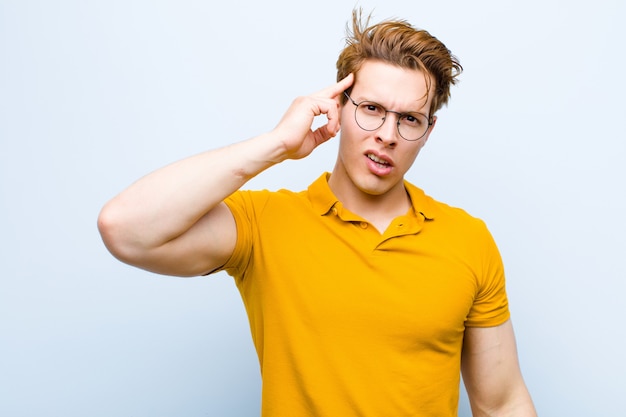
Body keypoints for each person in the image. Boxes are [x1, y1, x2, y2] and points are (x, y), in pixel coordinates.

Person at [98, 9, 537, 417]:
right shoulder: (264, 224)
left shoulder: (468, 239)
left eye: (409, 119)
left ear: (428, 131)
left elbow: (501, 402)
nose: (387, 134)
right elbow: (125, 229)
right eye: (371, 109)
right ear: (339, 108)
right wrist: (276, 145)